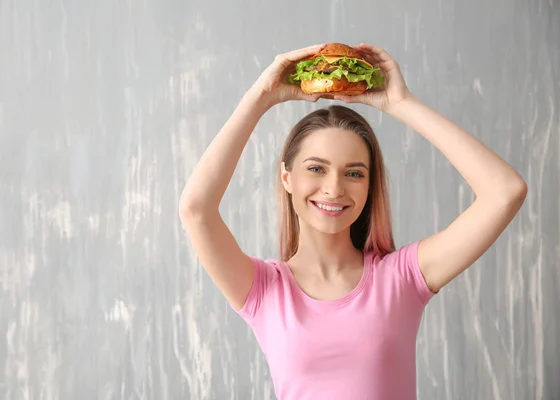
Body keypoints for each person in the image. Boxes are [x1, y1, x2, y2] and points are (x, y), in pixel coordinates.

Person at [178, 43, 528, 400]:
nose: (334, 188)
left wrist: (401, 104)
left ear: (370, 184)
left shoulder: (401, 278)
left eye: (354, 173)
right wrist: (262, 96)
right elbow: (196, 209)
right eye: (316, 168)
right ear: (287, 177)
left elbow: (505, 191)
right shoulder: (264, 289)